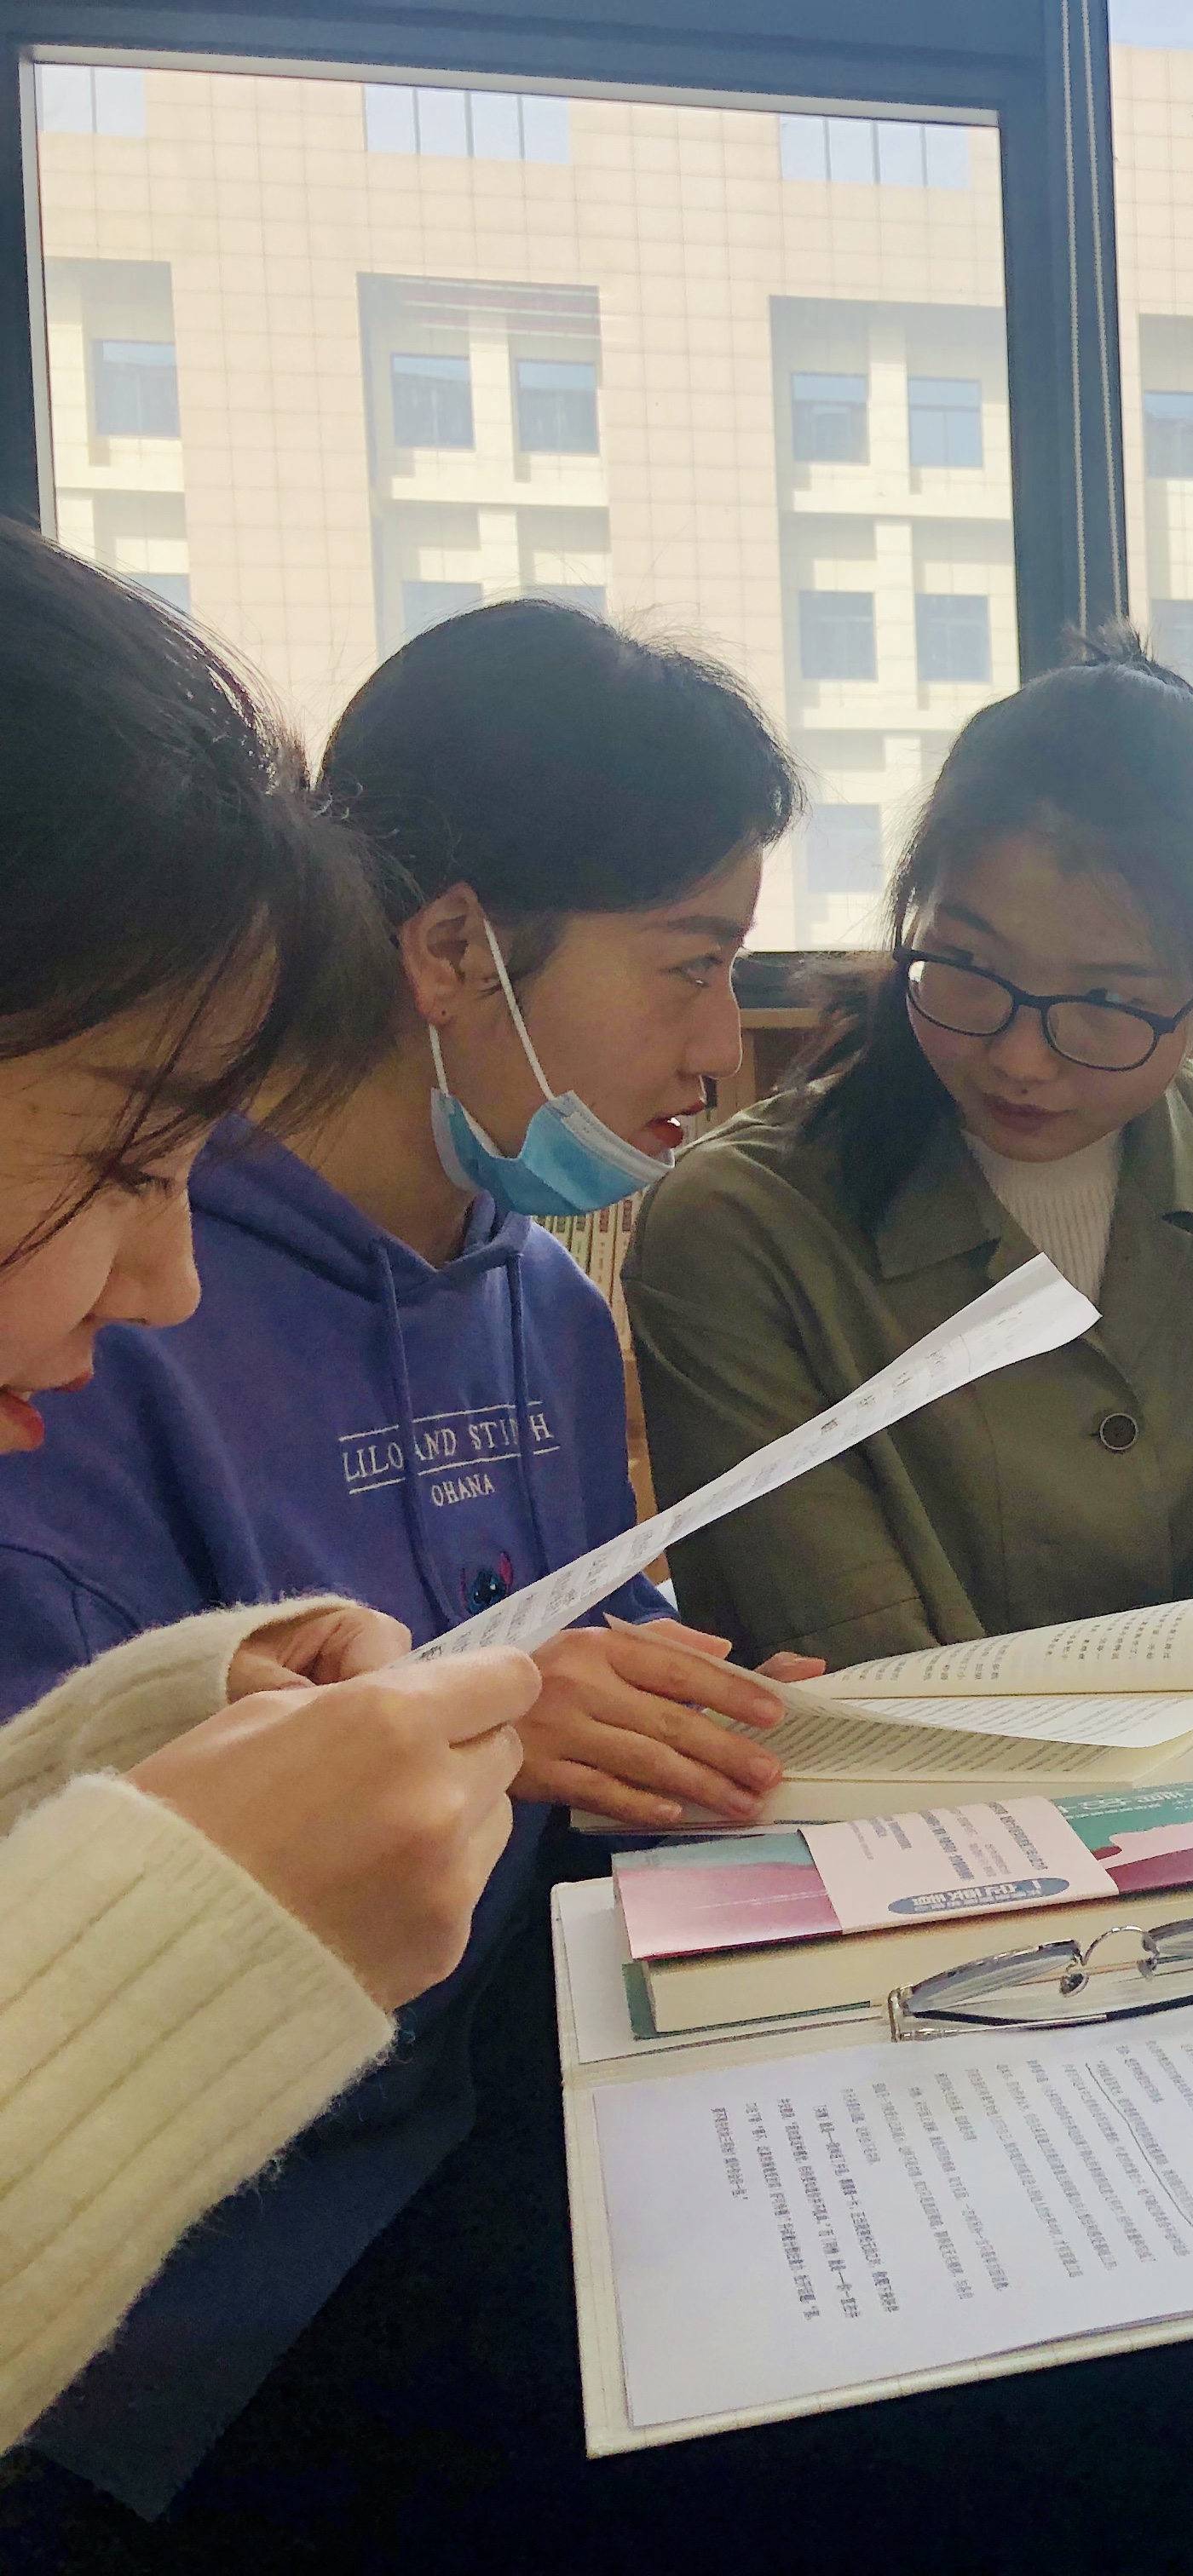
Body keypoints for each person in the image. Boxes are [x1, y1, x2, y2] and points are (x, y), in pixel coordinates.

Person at [0, 597, 839, 2529]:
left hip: (489, 2099)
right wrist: (476, 1723)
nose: (722, 1051)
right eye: (692, 965)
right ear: (454, 948)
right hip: (221, 2279)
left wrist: (670, 1704)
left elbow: (566, 1629)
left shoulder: (535, 1295)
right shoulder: (78, 1345)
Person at [0, 521, 537, 2452]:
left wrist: (149, 1730)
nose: (170, 1282)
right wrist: (200, 1932)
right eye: (129, 1165)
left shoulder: (537, 1293)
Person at [626, 629, 1193, 1679]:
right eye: (967, 964)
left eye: (1108, 999)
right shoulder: (742, 1225)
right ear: (909, 914)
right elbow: (848, 1662)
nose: (1020, 1058)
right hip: (940, 1786)